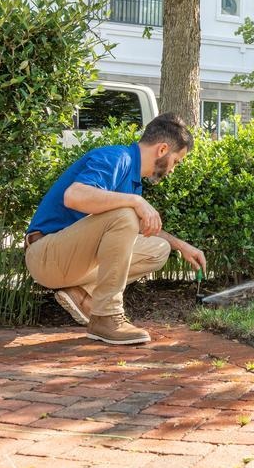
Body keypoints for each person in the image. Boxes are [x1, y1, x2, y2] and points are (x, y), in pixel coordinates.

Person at [24, 113, 206, 344]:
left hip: (72, 261)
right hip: (46, 255)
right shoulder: (116, 158)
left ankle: (82, 294)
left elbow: (132, 230)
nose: (173, 170)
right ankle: (106, 316)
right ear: (162, 150)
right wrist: (136, 203)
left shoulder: (132, 180)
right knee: (127, 214)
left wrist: (181, 246)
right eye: (176, 161)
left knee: (158, 248)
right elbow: (74, 195)